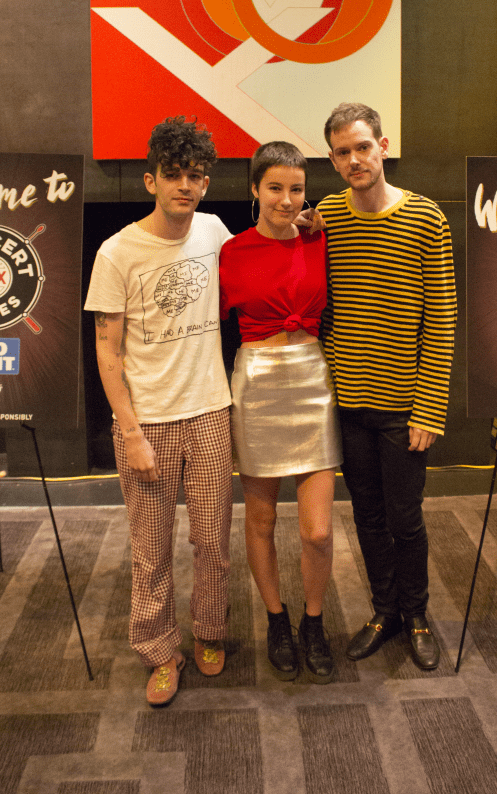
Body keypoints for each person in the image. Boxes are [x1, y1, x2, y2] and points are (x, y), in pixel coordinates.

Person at [84, 116, 233, 707]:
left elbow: (263, 255)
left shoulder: (216, 231)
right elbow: (107, 350)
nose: (185, 186)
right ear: (151, 180)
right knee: (151, 550)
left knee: (213, 542)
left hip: (211, 411)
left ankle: (210, 631)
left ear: (205, 183)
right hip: (147, 422)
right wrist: (130, 432)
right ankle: (159, 651)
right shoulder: (117, 251)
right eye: (173, 175)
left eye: (195, 176)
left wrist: (305, 223)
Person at [317, 102, 457, 669]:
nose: (354, 159)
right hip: (348, 405)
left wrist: (430, 409)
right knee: (367, 518)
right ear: (333, 160)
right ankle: (385, 612)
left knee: (406, 519)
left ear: (383, 146)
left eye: (362, 147)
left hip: (404, 409)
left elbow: (441, 320)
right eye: (343, 152)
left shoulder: (426, 218)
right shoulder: (327, 216)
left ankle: (417, 614)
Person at [219, 141, 342, 684]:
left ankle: (314, 622)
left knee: (318, 532)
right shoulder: (231, 251)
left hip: (312, 380)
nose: (287, 200)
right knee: (262, 520)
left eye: (296, 189)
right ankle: (276, 618)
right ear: (254, 189)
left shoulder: (321, 239)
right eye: (275, 188)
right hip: (257, 384)